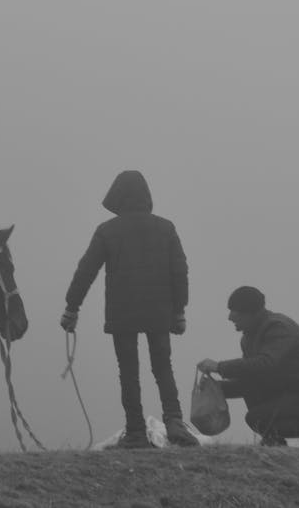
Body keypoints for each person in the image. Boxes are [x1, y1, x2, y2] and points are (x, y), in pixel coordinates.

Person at [60, 170, 198, 448]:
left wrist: (71, 308)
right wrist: (179, 311)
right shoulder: (166, 228)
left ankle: (135, 432)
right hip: (159, 311)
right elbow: (180, 271)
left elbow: (86, 271)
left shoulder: (108, 231)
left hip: (122, 311)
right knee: (163, 367)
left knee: (128, 371)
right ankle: (174, 422)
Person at [196, 286, 299, 447]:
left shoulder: (278, 327)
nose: (230, 317)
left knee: (256, 418)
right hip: (291, 393)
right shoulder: (249, 338)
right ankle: (275, 443)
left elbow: (266, 364)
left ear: (251, 313)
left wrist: (219, 367)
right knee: (256, 408)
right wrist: (218, 388)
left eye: (235, 311)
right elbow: (252, 380)